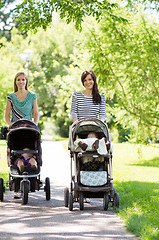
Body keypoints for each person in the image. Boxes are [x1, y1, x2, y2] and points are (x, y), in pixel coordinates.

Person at [70, 70, 106, 202]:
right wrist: (77, 122)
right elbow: (73, 113)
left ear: (94, 80)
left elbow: (102, 115)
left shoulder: (100, 97)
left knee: (93, 134)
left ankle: (85, 143)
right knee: (87, 135)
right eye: (85, 80)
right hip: (81, 127)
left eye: (90, 79)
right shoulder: (77, 96)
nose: (88, 82)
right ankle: (84, 142)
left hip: (95, 127)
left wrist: (100, 122)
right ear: (83, 82)